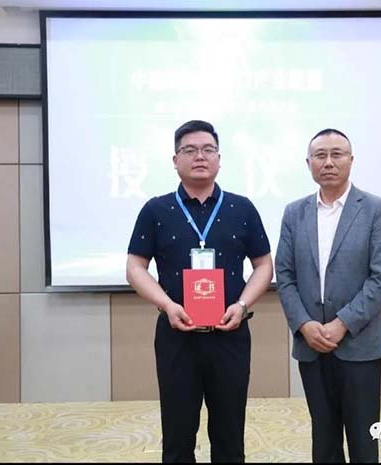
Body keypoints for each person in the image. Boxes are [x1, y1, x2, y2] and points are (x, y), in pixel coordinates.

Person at [126, 120, 273, 463]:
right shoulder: (156, 210)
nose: (200, 156)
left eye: (208, 149)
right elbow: (135, 268)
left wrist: (242, 304)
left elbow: (264, 265)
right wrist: (167, 304)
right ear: (175, 160)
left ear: (219, 158)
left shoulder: (242, 208)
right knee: (178, 436)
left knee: (229, 436)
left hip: (230, 334)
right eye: (189, 150)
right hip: (177, 335)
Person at [275, 128, 381, 463]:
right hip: (311, 345)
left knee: (363, 440)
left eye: (337, 154)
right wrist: (304, 325)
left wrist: (342, 323)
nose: (328, 162)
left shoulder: (375, 209)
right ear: (309, 163)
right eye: (320, 155)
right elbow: (284, 276)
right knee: (324, 440)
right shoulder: (294, 212)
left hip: (359, 344)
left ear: (351, 160)